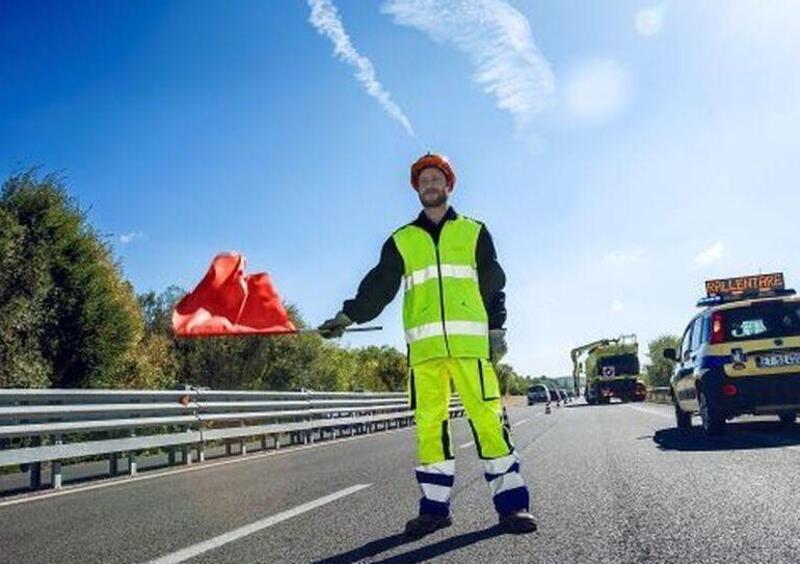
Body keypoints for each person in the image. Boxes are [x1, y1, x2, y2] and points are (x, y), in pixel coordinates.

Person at [319, 153, 536, 538]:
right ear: (417, 190)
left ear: (448, 185)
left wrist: (497, 330)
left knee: (489, 423)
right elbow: (378, 287)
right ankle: (434, 511)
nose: (430, 185)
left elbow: (493, 285)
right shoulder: (402, 241)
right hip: (425, 356)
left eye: (436, 178)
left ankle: (512, 507)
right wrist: (347, 317)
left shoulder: (474, 232)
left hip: (472, 352)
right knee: (429, 430)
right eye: (423, 181)